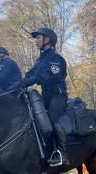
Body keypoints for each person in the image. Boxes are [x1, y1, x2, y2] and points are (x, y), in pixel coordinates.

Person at [16, 28, 69, 166]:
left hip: (58, 95)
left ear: (47, 40)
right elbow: (30, 74)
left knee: (52, 119)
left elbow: (54, 77)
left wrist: (35, 79)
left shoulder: (55, 58)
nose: (36, 41)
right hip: (45, 96)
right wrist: (19, 83)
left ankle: (62, 153)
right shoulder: (40, 60)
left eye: (38, 37)